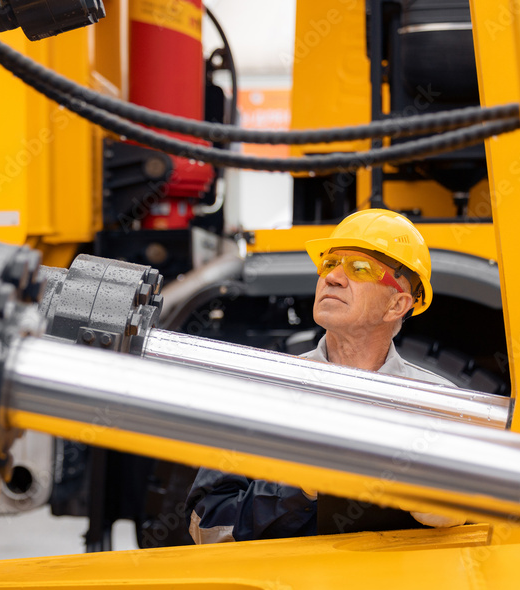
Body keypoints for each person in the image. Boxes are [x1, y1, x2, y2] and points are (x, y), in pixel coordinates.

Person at [187, 209, 463, 545]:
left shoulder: (443, 407)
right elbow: (207, 531)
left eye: (360, 268)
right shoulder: (261, 394)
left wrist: (455, 512)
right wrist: (300, 484)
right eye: (330, 265)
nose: (332, 278)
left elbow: (506, 533)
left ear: (397, 304)